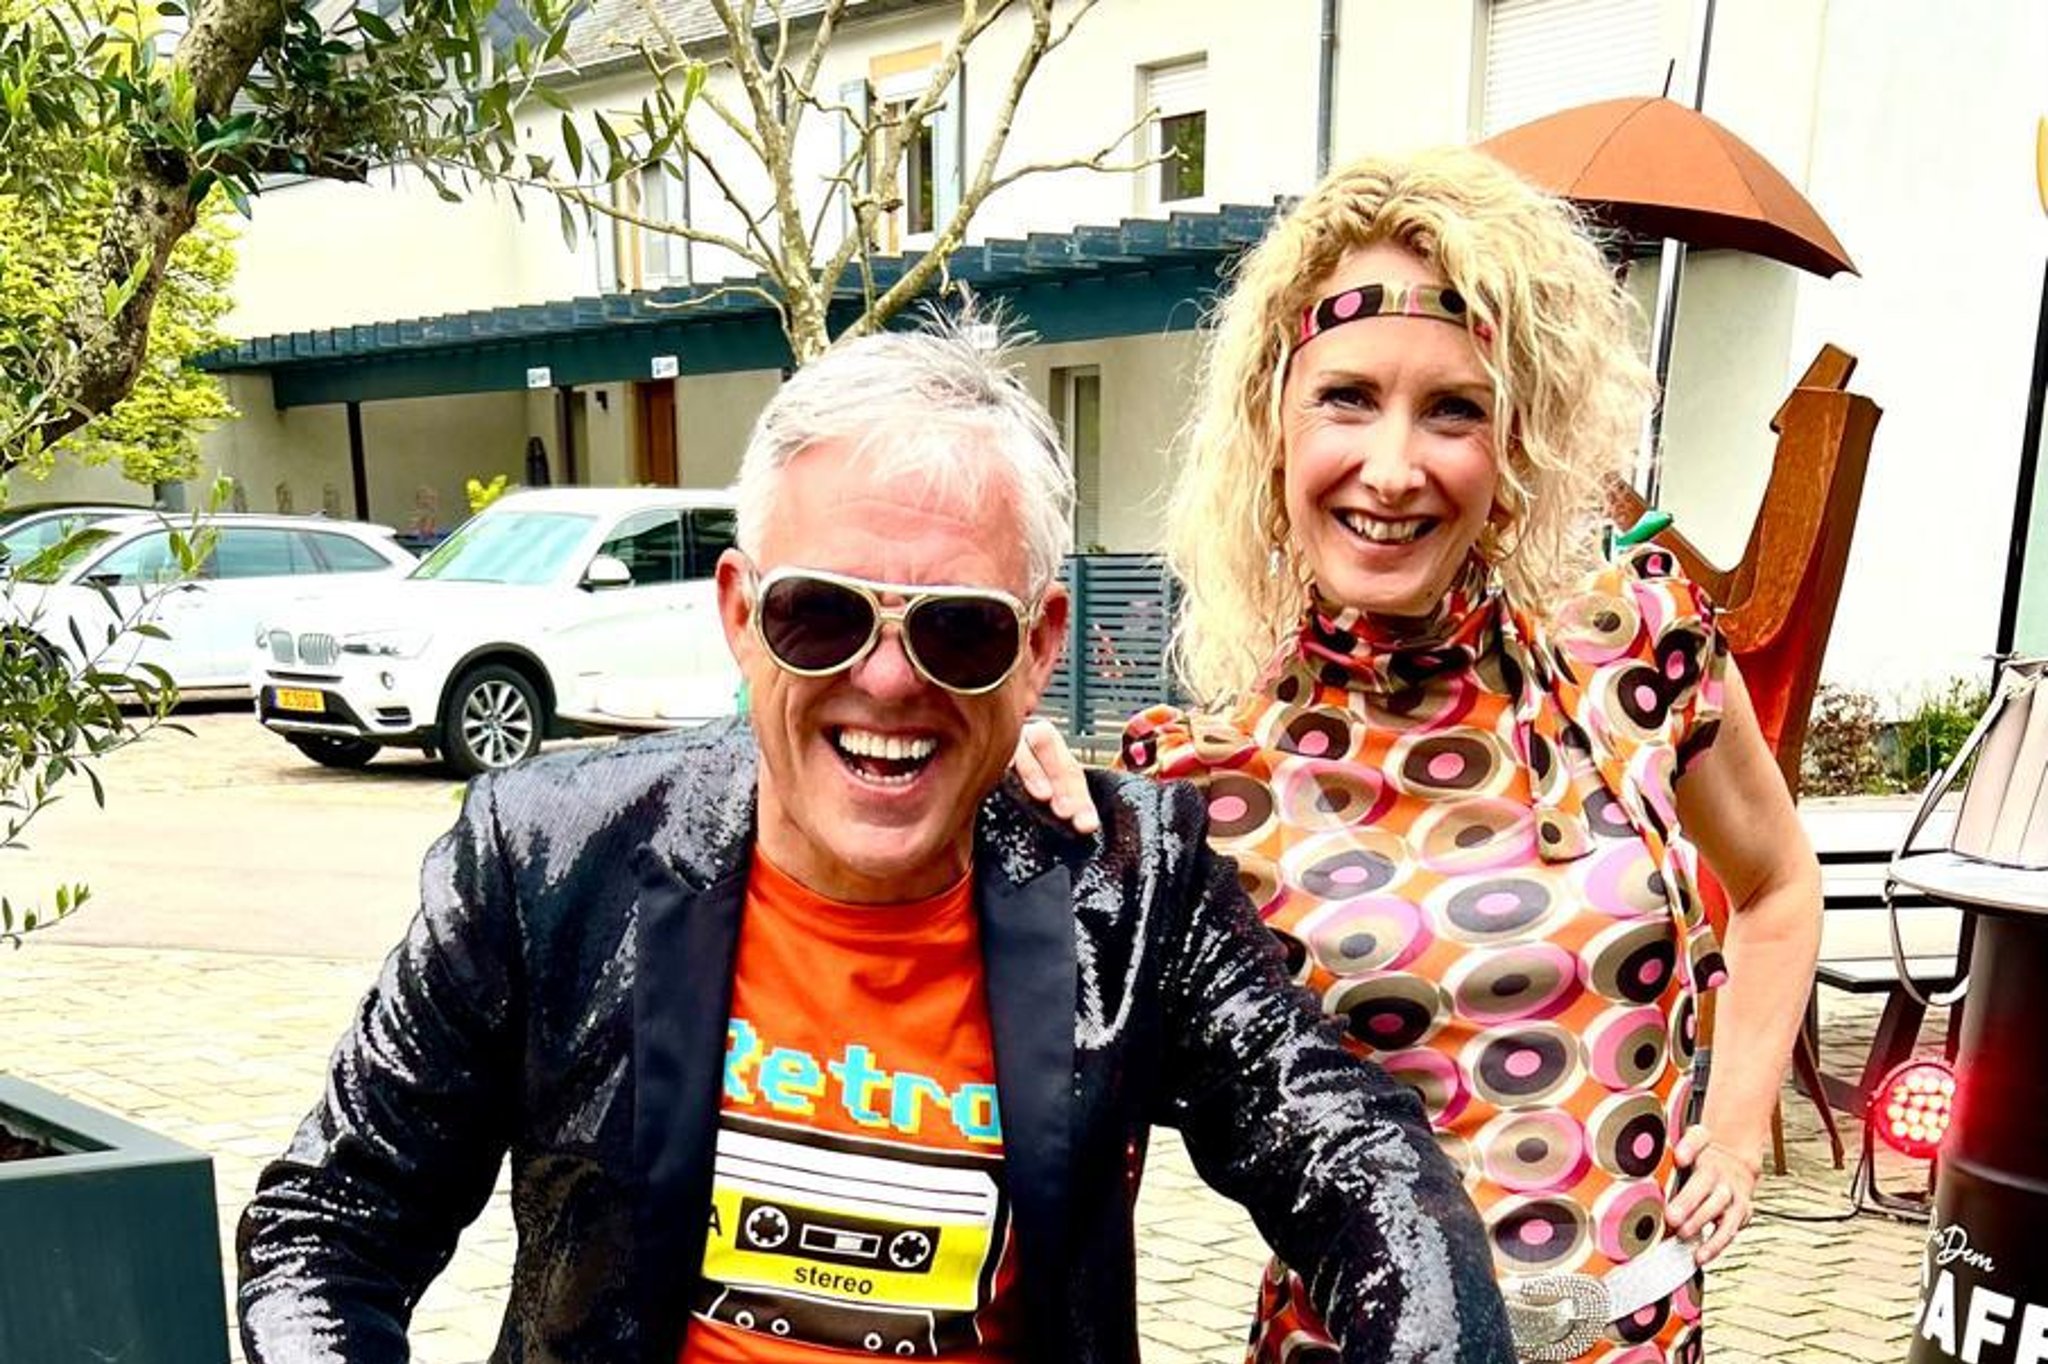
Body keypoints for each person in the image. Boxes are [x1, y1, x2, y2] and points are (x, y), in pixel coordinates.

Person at [235, 323, 1515, 1364]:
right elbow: (327, 1227)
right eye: (822, 614)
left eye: (958, 629)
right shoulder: (548, 858)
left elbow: (1357, 1162)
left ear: (1037, 647)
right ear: (740, 615)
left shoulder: (1132, 889)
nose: (888, 679)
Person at [1017, 147, 1822, 1364]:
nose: (1392, 467)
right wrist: (1009, 800)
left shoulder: (1636, 650)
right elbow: (1063, 1121)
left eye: (1452, 408)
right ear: (1271, 426)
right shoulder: (1195, 786)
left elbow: (1773, 883)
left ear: (1515, 440)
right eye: (1346, 397)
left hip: (1635, 1339)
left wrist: (1739, 1120)